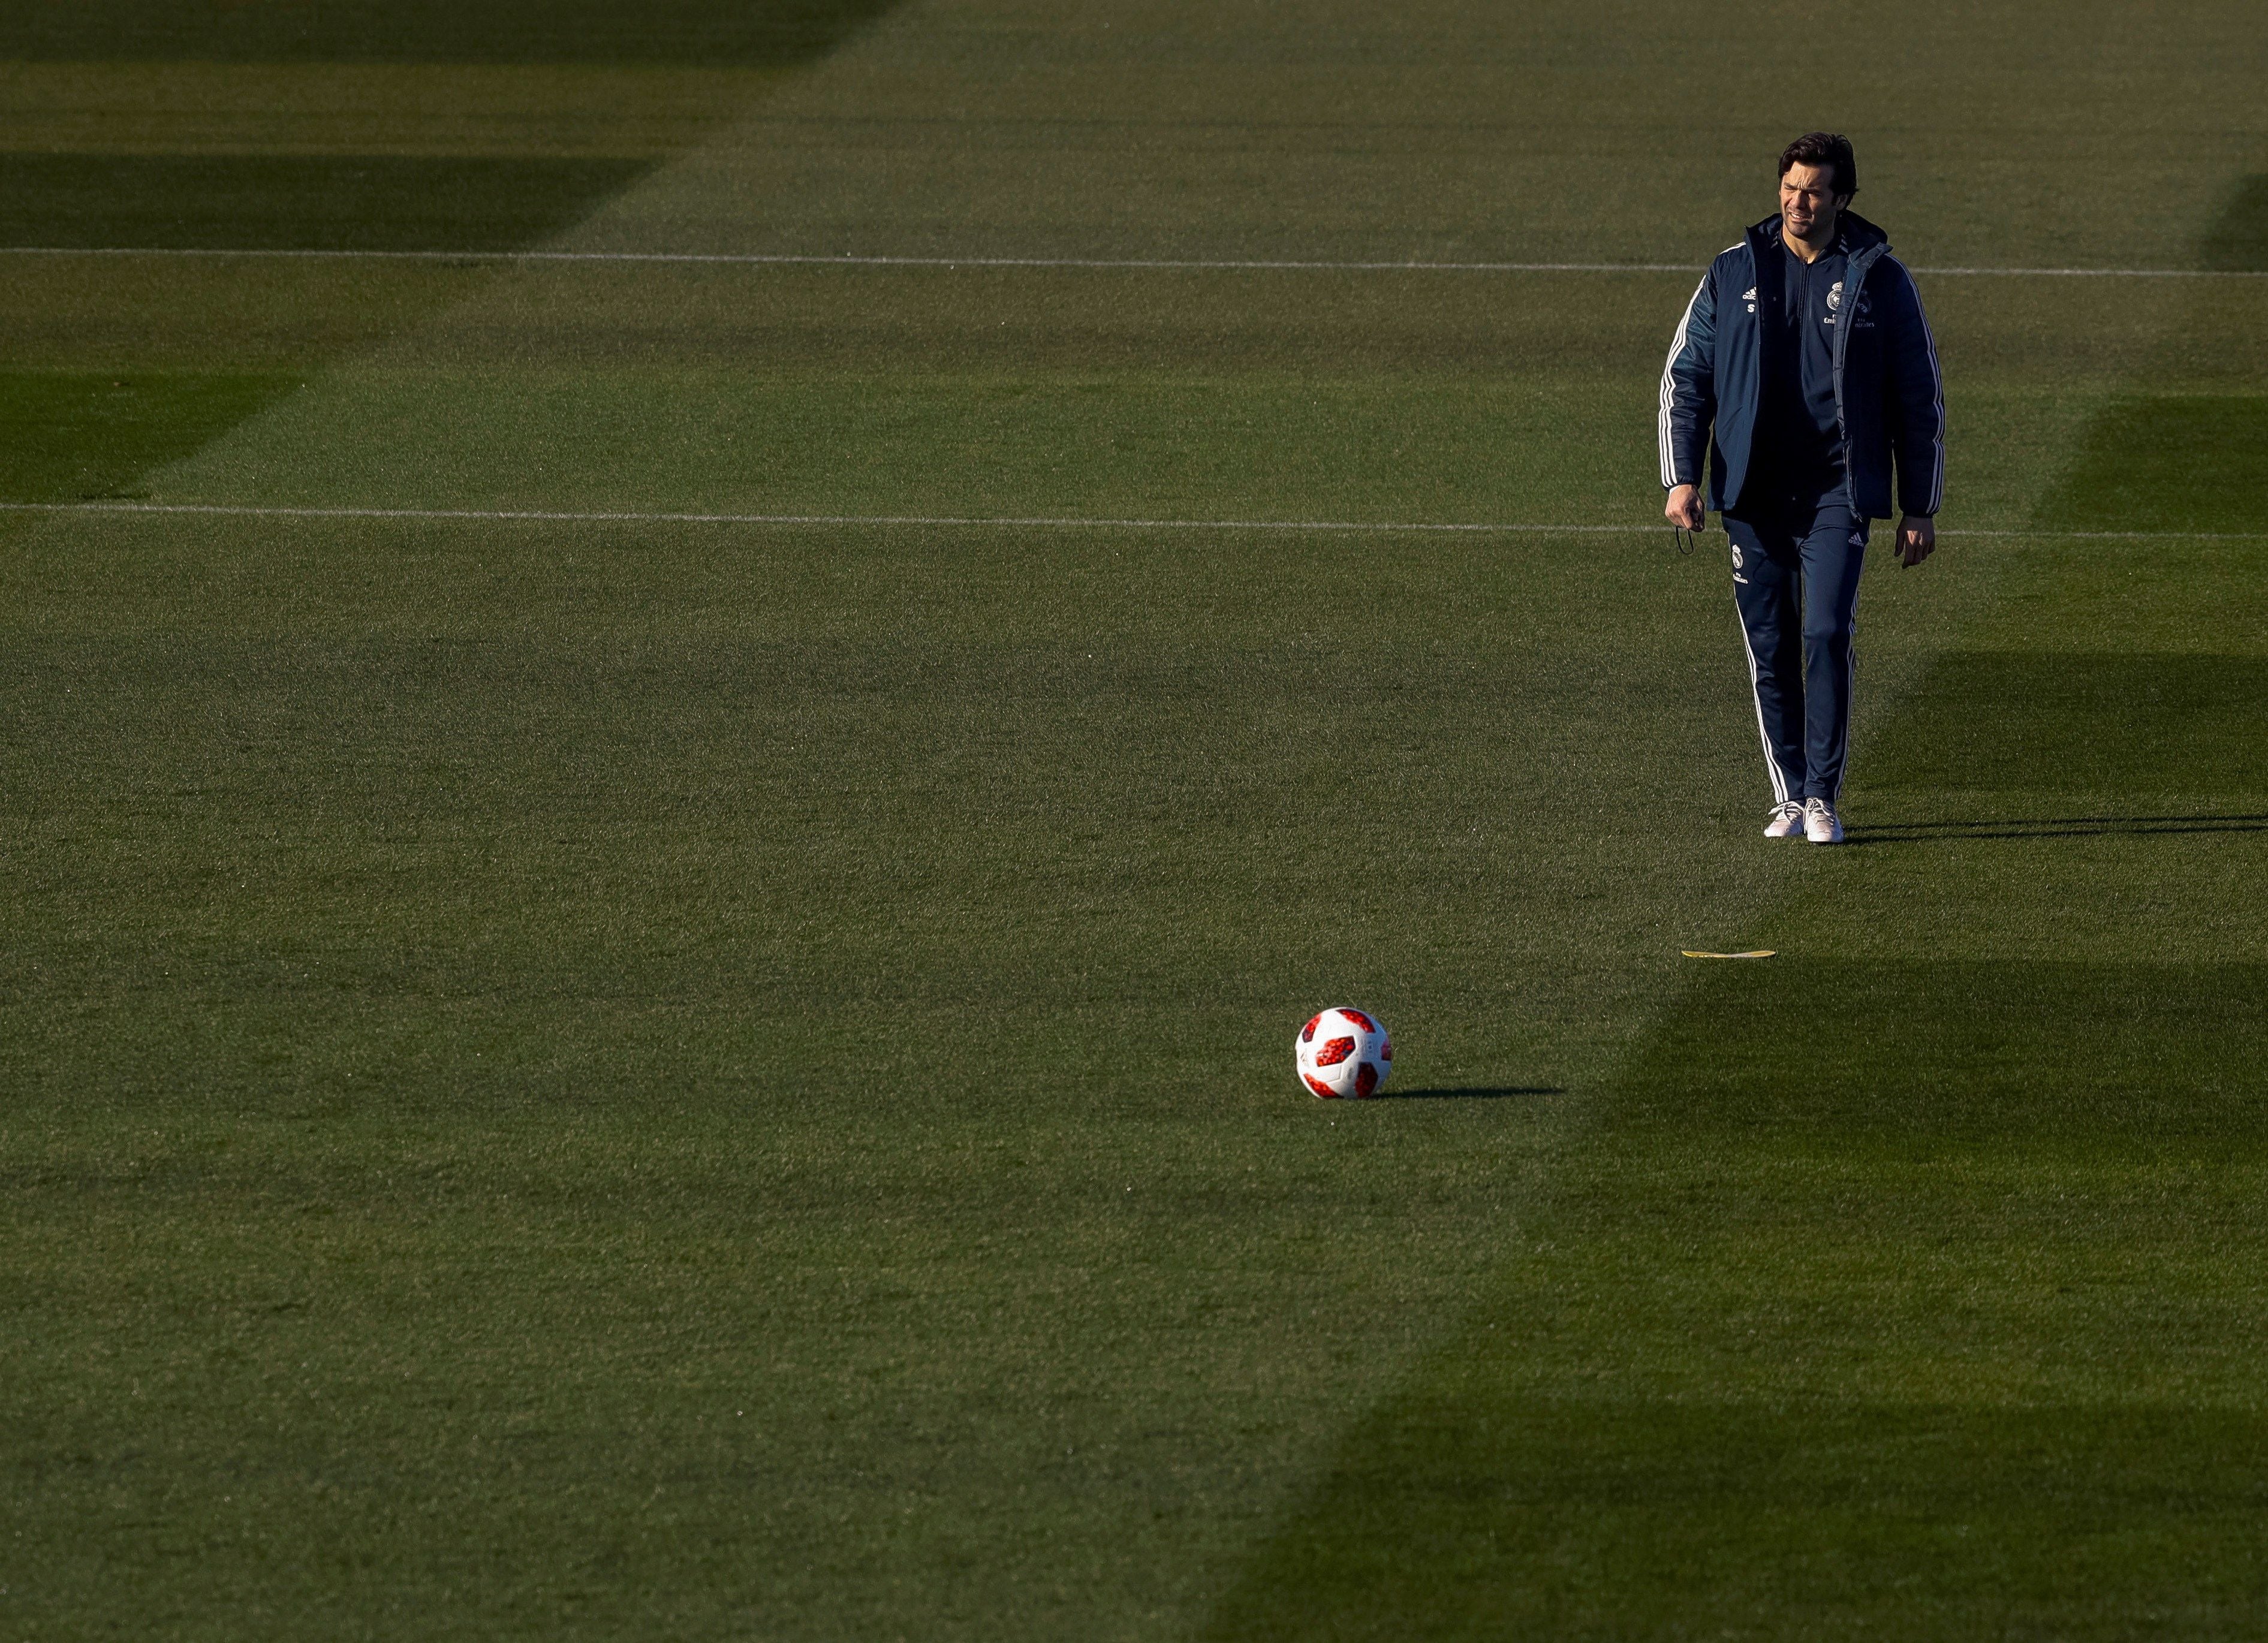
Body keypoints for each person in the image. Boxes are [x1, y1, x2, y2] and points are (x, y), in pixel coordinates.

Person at [1659, 131, 1944, 845]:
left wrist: (1920, 504)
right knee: (1771, 642)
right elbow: (1686, 378)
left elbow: (1919, 395)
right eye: (1789, 188)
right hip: (1752, 492)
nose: (1798, 202)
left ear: (1842, 198)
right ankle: (1788, 794)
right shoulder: (1734, 270)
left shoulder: (1880, 278)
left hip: (1836, 492)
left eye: (1814, 190)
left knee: (1823, 630)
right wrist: (1682, 476)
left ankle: (1823, 795)